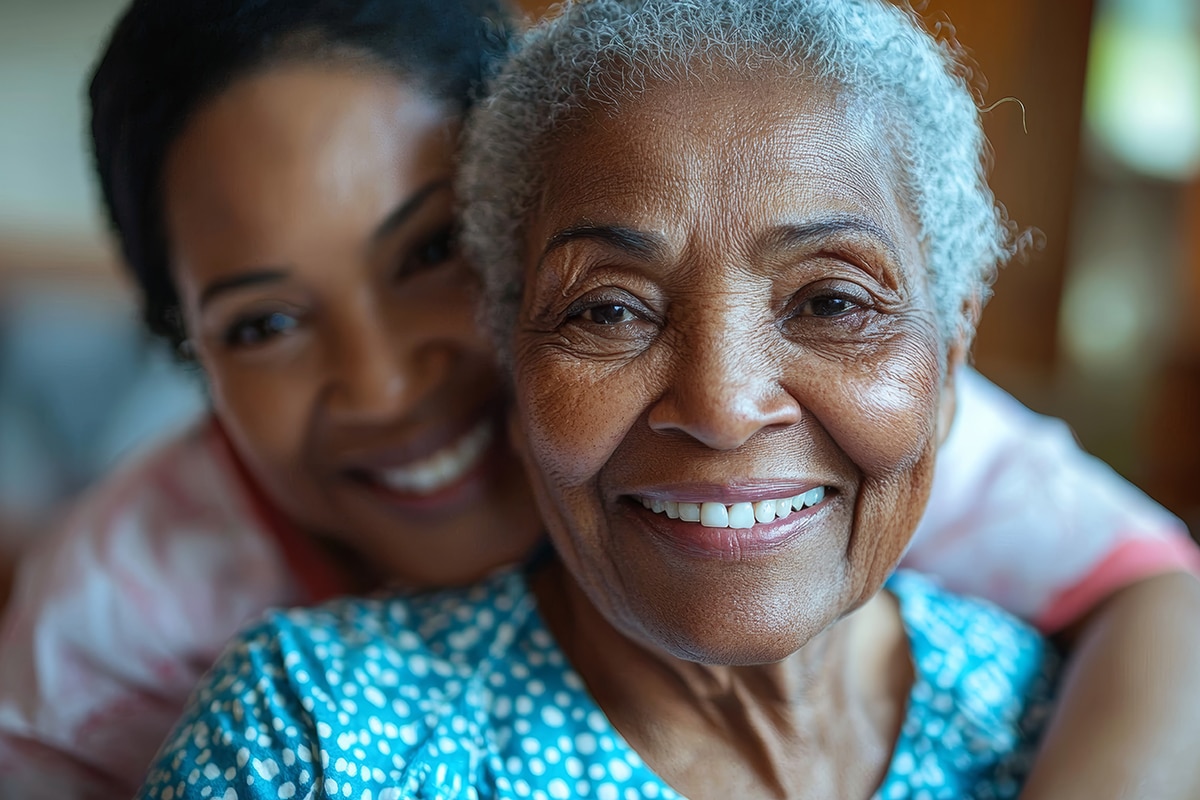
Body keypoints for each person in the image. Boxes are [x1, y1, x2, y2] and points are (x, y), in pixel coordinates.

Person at [136, 0, 1200, 797]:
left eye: (831, 299)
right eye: (608, 311)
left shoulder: (1073, 717)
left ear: (953, 341)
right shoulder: (312, 738)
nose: (725, 405)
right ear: (508, 354)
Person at [0, 1, 544, 796]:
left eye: (435, 249)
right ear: (186, 348)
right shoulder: (105, 666)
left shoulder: (705, 473)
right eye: (268, 324)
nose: (381, 386)